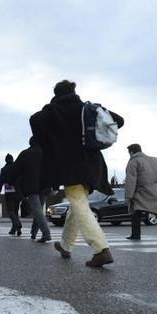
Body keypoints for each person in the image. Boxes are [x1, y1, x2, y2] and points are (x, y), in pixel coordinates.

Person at [30, 80, 124, 268]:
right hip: (93, 164)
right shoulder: (86, 109)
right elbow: (119, 120)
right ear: (74, 91)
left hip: (70, 165)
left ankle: (101, 249)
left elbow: (34, 120)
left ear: (56, 93)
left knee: (78, 203)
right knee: (77, 204)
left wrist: (49, 140)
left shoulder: (51, 110)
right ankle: (66, 245)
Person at [12, 137, 52, 242]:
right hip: (45, 186)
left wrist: (15, 182)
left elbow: (15, 170)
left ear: (30, 143)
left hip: (31, 186)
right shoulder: (46, 153)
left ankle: (46, 233)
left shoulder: (25, 154)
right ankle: (34, 233)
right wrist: (55, 186)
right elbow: (54, 170)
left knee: (37, 210)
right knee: (38, 210)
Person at [0, 153, 22, 236]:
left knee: (10, 211)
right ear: (12, 159)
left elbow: (0, 182)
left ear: (6, 160)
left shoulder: (4, 169)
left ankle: (17, 224)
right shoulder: (17, 167)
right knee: (15, 211)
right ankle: (14, 229)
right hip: (18, 192)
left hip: (9, 193)